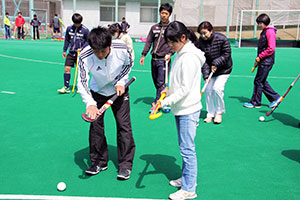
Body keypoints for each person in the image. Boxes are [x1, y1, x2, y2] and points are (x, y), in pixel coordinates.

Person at [77, 26, 135, 180]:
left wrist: (121, 81)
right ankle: (99, 161)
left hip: (119, 91)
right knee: (96, 126)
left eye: (103, 51)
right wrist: (90, 103)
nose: (100, 55)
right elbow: (82, 81)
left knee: (124, 125)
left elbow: (129, 64)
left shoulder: (121, 48)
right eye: (97, 51)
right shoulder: (85, 56)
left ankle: (125, 165)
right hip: (97, 92)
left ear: (110, 44)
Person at [159, 21, 205, 200]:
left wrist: (166, 102)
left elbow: (185, 88)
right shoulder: (181, 53)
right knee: (184, 147)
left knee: (187, 149)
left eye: (172, 42)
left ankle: (189, 189)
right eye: (168, 42)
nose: (170, 46)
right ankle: (186, 179)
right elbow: (178, 81)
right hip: (182, 107)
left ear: (183, 38)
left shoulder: (189, 57)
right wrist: (167, 91)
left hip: (188, 108)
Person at [140, 3, 174, 112]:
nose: (163, 15)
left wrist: (170, 53)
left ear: (169, 15)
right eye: (162, 13)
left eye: (166, 13)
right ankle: (165, 100)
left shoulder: (172, 28)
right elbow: (149, 41)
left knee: (160, 83)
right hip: (153, 60)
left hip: (164, 60)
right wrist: (144, 54)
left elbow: (175, 43)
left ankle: (157, 104)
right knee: (156, 82)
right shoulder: (154, 27)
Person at [197, 21, 232, 124]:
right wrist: (206, 75)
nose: (203, 36)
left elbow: (227, 54)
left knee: (217, 88)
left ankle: (219, 112)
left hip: (224, 69)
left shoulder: (221, 39)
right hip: (210, 69)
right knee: (208, 89)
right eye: (201, 33)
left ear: (211, 31)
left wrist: (216, 63)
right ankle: (210, 113)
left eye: (205, 33)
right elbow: (203, 59)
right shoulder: (200, 42)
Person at [244, 13, 281, 109]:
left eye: (260, 23)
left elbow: (271, 48)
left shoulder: (270, 32)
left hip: (266, 61)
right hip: (264, 61)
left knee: (258, 81)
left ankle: (255, 102)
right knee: (262, 81)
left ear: (264, 22)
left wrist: (260, 56)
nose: (259, 25)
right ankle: (276, 98)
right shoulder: (265, 31)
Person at [57, 13, 89, 94]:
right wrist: (64, 50)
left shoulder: (85, 30)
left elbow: (88, 41)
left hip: (81, 54)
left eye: (79, 23)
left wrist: (82, 49)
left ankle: (81, 87)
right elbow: (67, 40)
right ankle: (66, 87)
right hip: (71, 53)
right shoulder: (69, 29)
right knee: (67, 69)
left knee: (81, 71)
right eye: (76, 23)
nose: (77, 25)